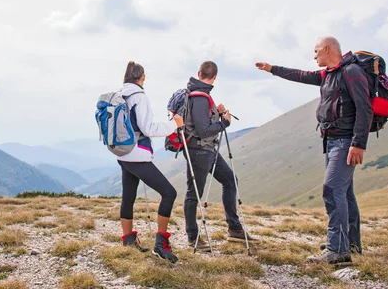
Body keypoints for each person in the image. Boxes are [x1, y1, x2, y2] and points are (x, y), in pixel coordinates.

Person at [256, 36, 372, 264]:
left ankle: (338, 251)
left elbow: (364, 109)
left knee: (331, 190)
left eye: (316, 50)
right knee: (345, 193)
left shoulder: (351, 72)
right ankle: (350, 244)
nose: (314, 55)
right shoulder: (329, 74)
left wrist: (358, 144)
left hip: (345, 142)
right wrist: (272, 69)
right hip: (331, 141)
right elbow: (300, 75)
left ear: (328, 49)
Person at [117, 61, 184, 263]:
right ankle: (160, 245)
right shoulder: (139, 97)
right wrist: (174, 124)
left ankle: (128, 240)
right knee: (169, 193)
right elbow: (148, 129)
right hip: (137, 154)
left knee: (128, 197)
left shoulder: (120, 94)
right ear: (142, 77)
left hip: (122, 153)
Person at [182, 61, 254, 251]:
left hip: (207, 150)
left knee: (230, 180)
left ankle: (234, 227)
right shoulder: (200, 97)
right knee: (194, 193)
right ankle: (193, 237)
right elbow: (204, 130)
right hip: (199, 151)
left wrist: (218, 116)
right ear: (215, 77)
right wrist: (225, 123)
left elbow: (202, 123)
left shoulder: (200, 94)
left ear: (198, 73)